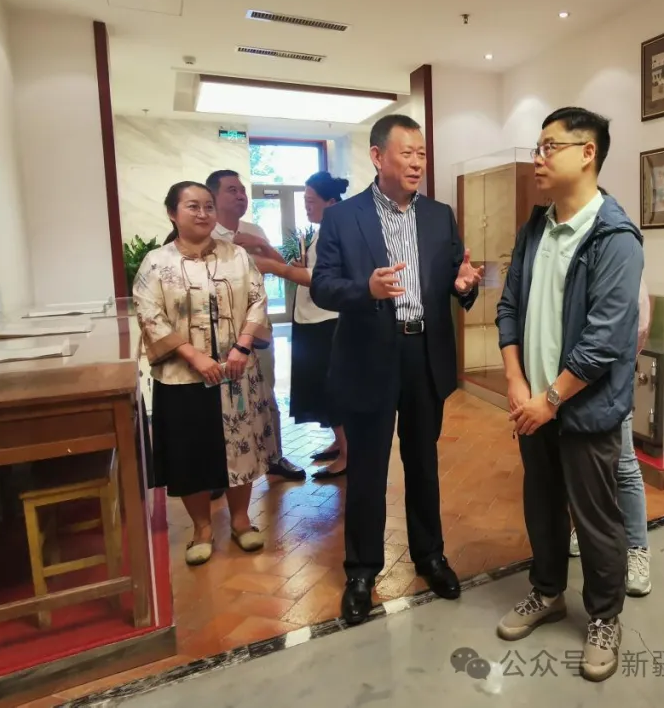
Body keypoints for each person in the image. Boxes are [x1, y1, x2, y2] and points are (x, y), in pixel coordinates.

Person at [310, 114, 482, 626]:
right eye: (406, 152)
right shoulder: (344, 218)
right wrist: (364, 289)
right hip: (368, 355)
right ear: (377, 156)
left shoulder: (439, 215)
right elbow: (322, 286)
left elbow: (455, 276)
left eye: (421, 154)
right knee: (366, 469)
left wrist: (464, 286)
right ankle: (362, 572)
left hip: (424, 354)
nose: (416, 162)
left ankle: (431, 557)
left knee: (423, 462)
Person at [494, 107, 644, 682]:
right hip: (533, 404)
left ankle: (604, 617)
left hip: (581, 409)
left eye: (549, 147)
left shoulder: (614, 236)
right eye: (537, 146)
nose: (538, 158)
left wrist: (550, 399)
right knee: (541, 506)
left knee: (596, 518)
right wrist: (516, 381)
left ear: (587, 153)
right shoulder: (535, 228)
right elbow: (509, 306)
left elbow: (604, 341)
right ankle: (548, 590)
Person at [133, 181, 273, 566]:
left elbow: (258, 300)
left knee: (240, 446)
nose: (202, 213)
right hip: (182, 378)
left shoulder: (237, 256)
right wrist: (194, 356)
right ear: (172, 213)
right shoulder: (156, 263)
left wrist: (242, 347)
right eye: (192, 206)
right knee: (189, 452)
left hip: (235, 371)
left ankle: (241, 521)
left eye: (208, 206)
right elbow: (149, 315)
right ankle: (202, 528)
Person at [206, 169, 307, 484]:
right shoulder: (205, 233)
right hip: (219, 334)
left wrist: (259, 243)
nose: (241, 196)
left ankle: (274, 457)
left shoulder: (252, 229)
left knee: (267, 392)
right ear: (213, 197)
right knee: (220, 400)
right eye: (232, 190)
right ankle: (217, 468)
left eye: (242, 190)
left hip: (259, 328)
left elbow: (282, 266)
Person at [569, 242, 653, 599]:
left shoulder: (619, 248)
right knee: (581, 463)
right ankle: (585, 527)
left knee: (625, 463)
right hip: (570, 376)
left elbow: (639, 323)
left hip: (610, 379)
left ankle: (637, 549)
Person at [254, 172, 349, 480]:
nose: (306, 207)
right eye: (305, 201)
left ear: (331, 203)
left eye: (311, 201)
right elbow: (311, 271)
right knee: (320, 387)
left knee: (333, 389)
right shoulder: (323, 231)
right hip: (312, 317)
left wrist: (274, 268)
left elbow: (319, 279)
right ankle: (339, 442)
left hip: (327, 320)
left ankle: (348, 454)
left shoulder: (337, 233)